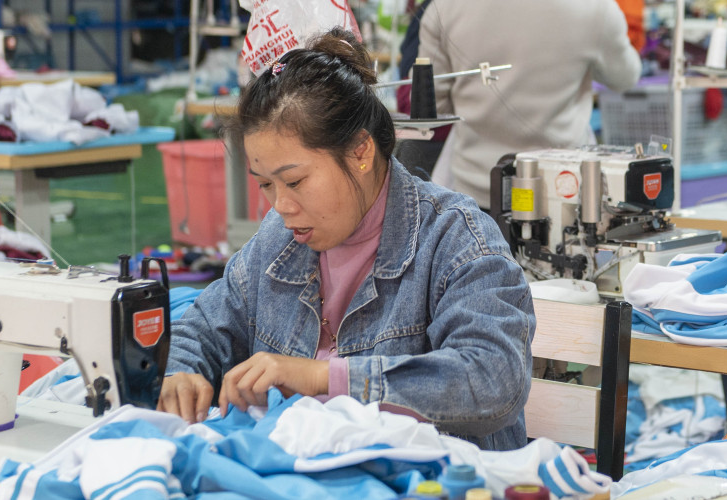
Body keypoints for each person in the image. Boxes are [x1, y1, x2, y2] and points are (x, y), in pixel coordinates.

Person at [160, 28, 537, 451]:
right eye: (265, 184)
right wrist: (181, 372)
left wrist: (322, 377)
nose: (281, 205)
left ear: (360, 151)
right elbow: (205, 327)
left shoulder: (455, 240)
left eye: (295, 180)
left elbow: (492, 381)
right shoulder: (277, 241)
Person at [418, 0, 641, 208]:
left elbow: (431, 105)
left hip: (476, 191)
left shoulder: (445, 7)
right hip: (561, 190)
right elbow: (625, 78)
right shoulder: (595, 7)